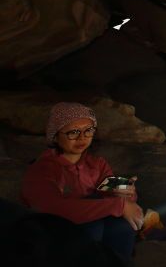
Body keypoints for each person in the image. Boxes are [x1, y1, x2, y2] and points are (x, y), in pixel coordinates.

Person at [20, 102, 144, 263]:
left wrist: (126, 190)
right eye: (73, 132)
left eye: (88, 130)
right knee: (92, 227)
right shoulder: (43, 169)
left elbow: (110, 186)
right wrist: (118, 205)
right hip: (49, 232)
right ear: (55, 136)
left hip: (87, 228)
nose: (82, 137)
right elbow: (52, 208)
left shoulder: (96, 164)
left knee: (121, 227)